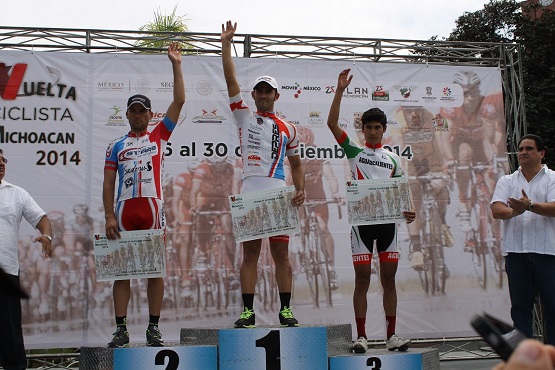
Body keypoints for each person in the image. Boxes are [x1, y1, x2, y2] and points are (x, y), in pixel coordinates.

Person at [220, 21, 305, 328]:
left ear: (276, 96)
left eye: (269, 92)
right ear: (254, 95)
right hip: (251, 192)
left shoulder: (289, 128)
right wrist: (226, 44)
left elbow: (296, 164)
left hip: (279, 192)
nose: (265, 95)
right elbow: (230, 80)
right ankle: (247, 311)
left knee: (281, 254)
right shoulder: (243, 116)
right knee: (250, 255)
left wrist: (301, 188)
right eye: (260, 91)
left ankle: (286, 310)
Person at [102, 42, 185, 348]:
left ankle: (153, 328)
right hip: (124, 211)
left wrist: (176, 64)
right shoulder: (115, 145)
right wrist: (109, 215)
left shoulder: (159, 135)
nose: (138, 115)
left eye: (142, 110)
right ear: (127, 114)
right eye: (133, 110)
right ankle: (121, 329)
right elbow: (108, 183)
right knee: (122, 271)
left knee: (154, 270)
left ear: (151, 114)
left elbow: (180, 100)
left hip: (152, 209)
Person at [327, 69, 415, 353]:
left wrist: (408, 211)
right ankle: (362, 336)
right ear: (362, 130)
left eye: (378, 127)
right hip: (361, 227)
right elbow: (330, 123)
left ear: (384, 130)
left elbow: (401, 191)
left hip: (389, 226)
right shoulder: (354, 151)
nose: (373, 131)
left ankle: (392, 336)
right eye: (369, 127)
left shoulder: (392, 158)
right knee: (362, 279)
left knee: (388, 280)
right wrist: (340, 90)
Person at [491, 134, 555, 345]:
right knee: (520, 308)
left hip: (547, 253)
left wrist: (529, 206)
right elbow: (497, 209)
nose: (523, 153)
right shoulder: (507, 180)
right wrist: (515, 212)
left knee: (552, 306)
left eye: (529, 149)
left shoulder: (553, 178)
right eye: (521, 149)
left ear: (541, 153)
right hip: (516, 253)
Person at [0, 148, 53, 370]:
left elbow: (42, 218)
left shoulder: (16, 193)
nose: (1, 162)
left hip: (7, 273)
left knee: (10, 335)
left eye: (3, 158)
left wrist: (46, 235)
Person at [440, 70, 505, 233]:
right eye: (465, 94)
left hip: (481, 146)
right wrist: (448, 159)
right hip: (459, 146)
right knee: (464, 151)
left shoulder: (487, 105)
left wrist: (494, 161)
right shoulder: (447, 107)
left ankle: (496, 228)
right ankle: (464, 207)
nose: (470, 98)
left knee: (491, 181)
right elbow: (442, 137)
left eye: (473, 93)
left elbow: (489, 140)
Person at [390, 106, 453, 269]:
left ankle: (443, 224)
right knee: (412, 200)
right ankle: (417, 248)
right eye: (409, 110)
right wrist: (400, 169)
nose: (414, 114)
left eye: (417, 109)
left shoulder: (435, 116)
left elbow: (442, 140)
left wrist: (448, 160)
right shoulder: (397, 119)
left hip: (432, 161)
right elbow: (399, 146)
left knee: (441, 187)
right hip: (411, 163)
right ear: (404, 111)